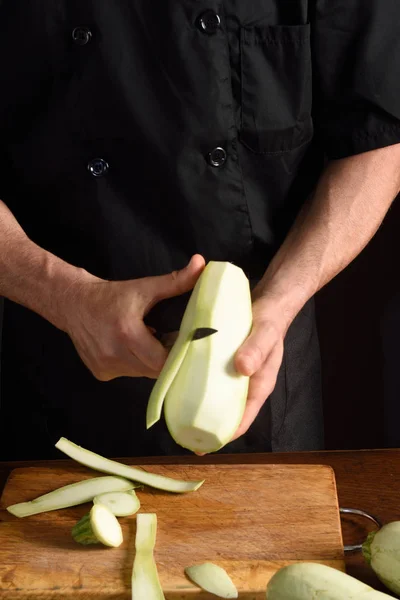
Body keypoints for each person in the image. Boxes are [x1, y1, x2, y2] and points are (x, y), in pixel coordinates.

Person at [0, 1, 399, 461]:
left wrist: (280, 302)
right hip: (58, 352)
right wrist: (62, 296)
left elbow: (379, 139)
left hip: (258, 358)